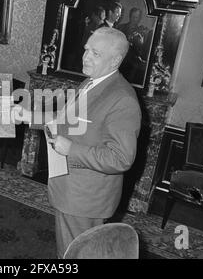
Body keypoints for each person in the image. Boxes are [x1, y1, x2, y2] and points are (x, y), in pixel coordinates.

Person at [46, 27, 141, 258]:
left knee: (73, 255)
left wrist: (70, 149)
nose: (85, 56)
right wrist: (29, 116)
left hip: (84, 198)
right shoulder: (92, 82)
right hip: (72, 190)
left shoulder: (122, 99)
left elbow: (120, 158)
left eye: (95, 53)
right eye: (86, 49)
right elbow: (68, 120)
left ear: (115, 60)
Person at [117, 8, 151, 84]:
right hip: (119, 61)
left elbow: (143, 50)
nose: (134, 19)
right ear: (130, 16)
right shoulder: (120, 27)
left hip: (133, 65)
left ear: (139, 18)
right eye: (133, 17)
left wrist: (140, 42)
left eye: (136, 17)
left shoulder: (142, 31)